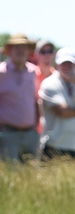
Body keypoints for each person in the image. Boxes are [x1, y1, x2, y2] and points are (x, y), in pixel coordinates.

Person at [39, 49, 75, 158]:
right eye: (64, 64)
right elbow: (62, 111)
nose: (67, 67)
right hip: (53, 147)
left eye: (70, 64)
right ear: (57, 65)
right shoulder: (50, 83)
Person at [0, 34, 40, 162]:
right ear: (10, 50)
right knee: (11, 177)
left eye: (24, 47)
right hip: (7, 135)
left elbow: (36, 101)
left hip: (31, 135)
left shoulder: (34, 72)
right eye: (17, 47)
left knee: (31, 177)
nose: (20, 50)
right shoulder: (1, 73)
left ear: (29, 51)